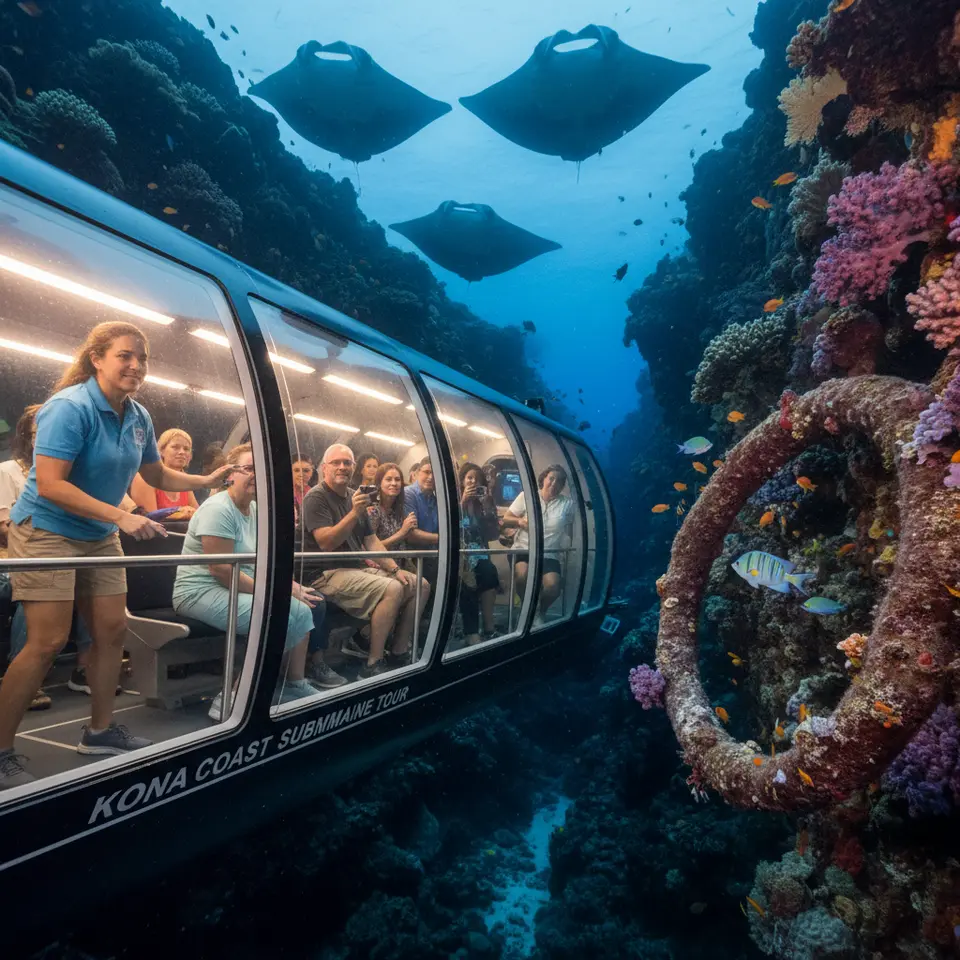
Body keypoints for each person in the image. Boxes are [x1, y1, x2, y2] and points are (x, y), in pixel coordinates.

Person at [0, 321, 230, 789]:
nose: (136, 365)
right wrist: (123, 517)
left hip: (97, 531)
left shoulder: (138, 415)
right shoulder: (69, 407)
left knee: (111, 632)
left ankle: (100, 732)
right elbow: (50, 484)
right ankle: (1, 747)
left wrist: (205, 483)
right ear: (97, 359)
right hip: (47, 529)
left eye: (142, 358)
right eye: (125, 355)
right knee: (46, 642)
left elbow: (158, 474)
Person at [173, 443, 328, 716]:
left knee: (302, 610)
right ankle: (232, 695)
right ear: (230, 474)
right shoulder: (218, 509)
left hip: (233, 583)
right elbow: (221, 570)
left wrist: (288, 587)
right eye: (248, 468)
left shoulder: (255, 510)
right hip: (198, 591)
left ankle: (293, 683)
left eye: (261, 469)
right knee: (273, 614)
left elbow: (261, 563)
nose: (256, 475)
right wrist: (274, 593)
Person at [302, 444, 429, 678]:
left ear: (353, 468)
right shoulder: (316, 497)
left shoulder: (353, 495)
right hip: (325, 572)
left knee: (418, 584)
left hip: (354, 567)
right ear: (324, 468)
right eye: (336, 463)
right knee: (392, 588)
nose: (342, 467)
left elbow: (371, 542)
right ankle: (373, 663)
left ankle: (399, 649)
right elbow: (326, 543)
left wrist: (393, 568)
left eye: (347, 463)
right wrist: (354, 513)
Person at [501, 464, 575, 627]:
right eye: (551, 479)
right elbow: (506, 518)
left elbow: (569, 528)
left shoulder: (567, 504)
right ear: (544, 479)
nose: (554, 484)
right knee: (522, 575)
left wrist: (566, 547)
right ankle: (526, 607)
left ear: (563, 486)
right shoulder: (526, 496)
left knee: (553, 586)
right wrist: (519, 521)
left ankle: (539, 611)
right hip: (523, 548)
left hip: (549, 553)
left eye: (560, 481)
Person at [456, 462, 501, 645]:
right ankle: (471, 632)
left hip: (479, 553)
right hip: (460, 552)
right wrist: (463, 502)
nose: (473, 483)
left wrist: (488, 508)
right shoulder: (453, 499)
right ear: (462, 481)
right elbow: (450, 526)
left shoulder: (484, 503)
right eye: (470, 478)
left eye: (478, 479)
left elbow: (493, 534)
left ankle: (489, 628)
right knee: (468, 582)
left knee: (490, 572)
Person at [129, 428, 200, 517]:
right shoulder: (146, 477)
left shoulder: (185, 480)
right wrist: (179, 512)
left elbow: (199, 515)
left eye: (186, 449)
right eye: (175, 447)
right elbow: (150, 519)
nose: (182, 452)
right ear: (161, 451)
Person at [368, 463, 420, 570]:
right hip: (380, 567)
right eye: (388, 479)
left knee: (424, 584)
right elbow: (370, 549)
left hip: (401, 564)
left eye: (397, 479)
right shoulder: (373, 510)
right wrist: (402, 532)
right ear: (379, 483)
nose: (394, 483)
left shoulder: (398, 509)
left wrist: (410, 530)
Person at [403, 457, 440, 590]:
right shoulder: (409, 494)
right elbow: (411, 534)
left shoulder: (436, 498)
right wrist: (443, 539)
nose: (431, 477)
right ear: (417, 472)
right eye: (426, 472)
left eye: (435, 473)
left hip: (432, 553)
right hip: (414, 555)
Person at [291, 457, 315, 529]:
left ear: (311, 472)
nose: (301, 474)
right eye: (296, 470)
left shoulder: (314, 494)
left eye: (306, 471)